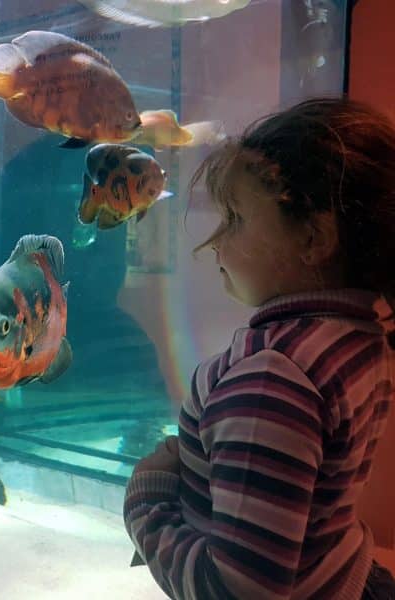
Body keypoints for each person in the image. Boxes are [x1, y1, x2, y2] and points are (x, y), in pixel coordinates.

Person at [123, 97, 395, 599]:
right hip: (345, 574)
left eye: (235, 218)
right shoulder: (359, 336)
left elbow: (238, 591)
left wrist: (145, 503)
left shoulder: (271, 377)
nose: (213, 245)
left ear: (313, 238)